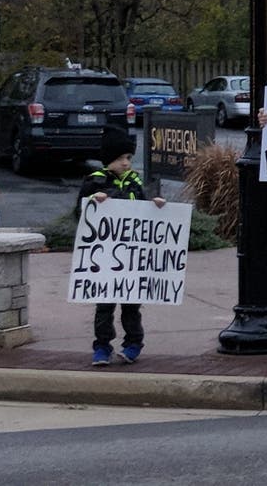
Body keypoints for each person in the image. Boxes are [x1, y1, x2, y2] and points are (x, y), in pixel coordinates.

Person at [79, 126, 166, 366]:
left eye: (128, 157)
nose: (126, 163)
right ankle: (102, 346)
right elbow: (80, 214)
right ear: (108, 160)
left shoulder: (134, 183)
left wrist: (156, 206)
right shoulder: (95, 182)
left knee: (131, 305)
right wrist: (93, 201)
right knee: (104, 305)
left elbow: (143, 212)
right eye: (120, 158)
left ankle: (133, 343)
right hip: (105, 257)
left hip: (130, 258)